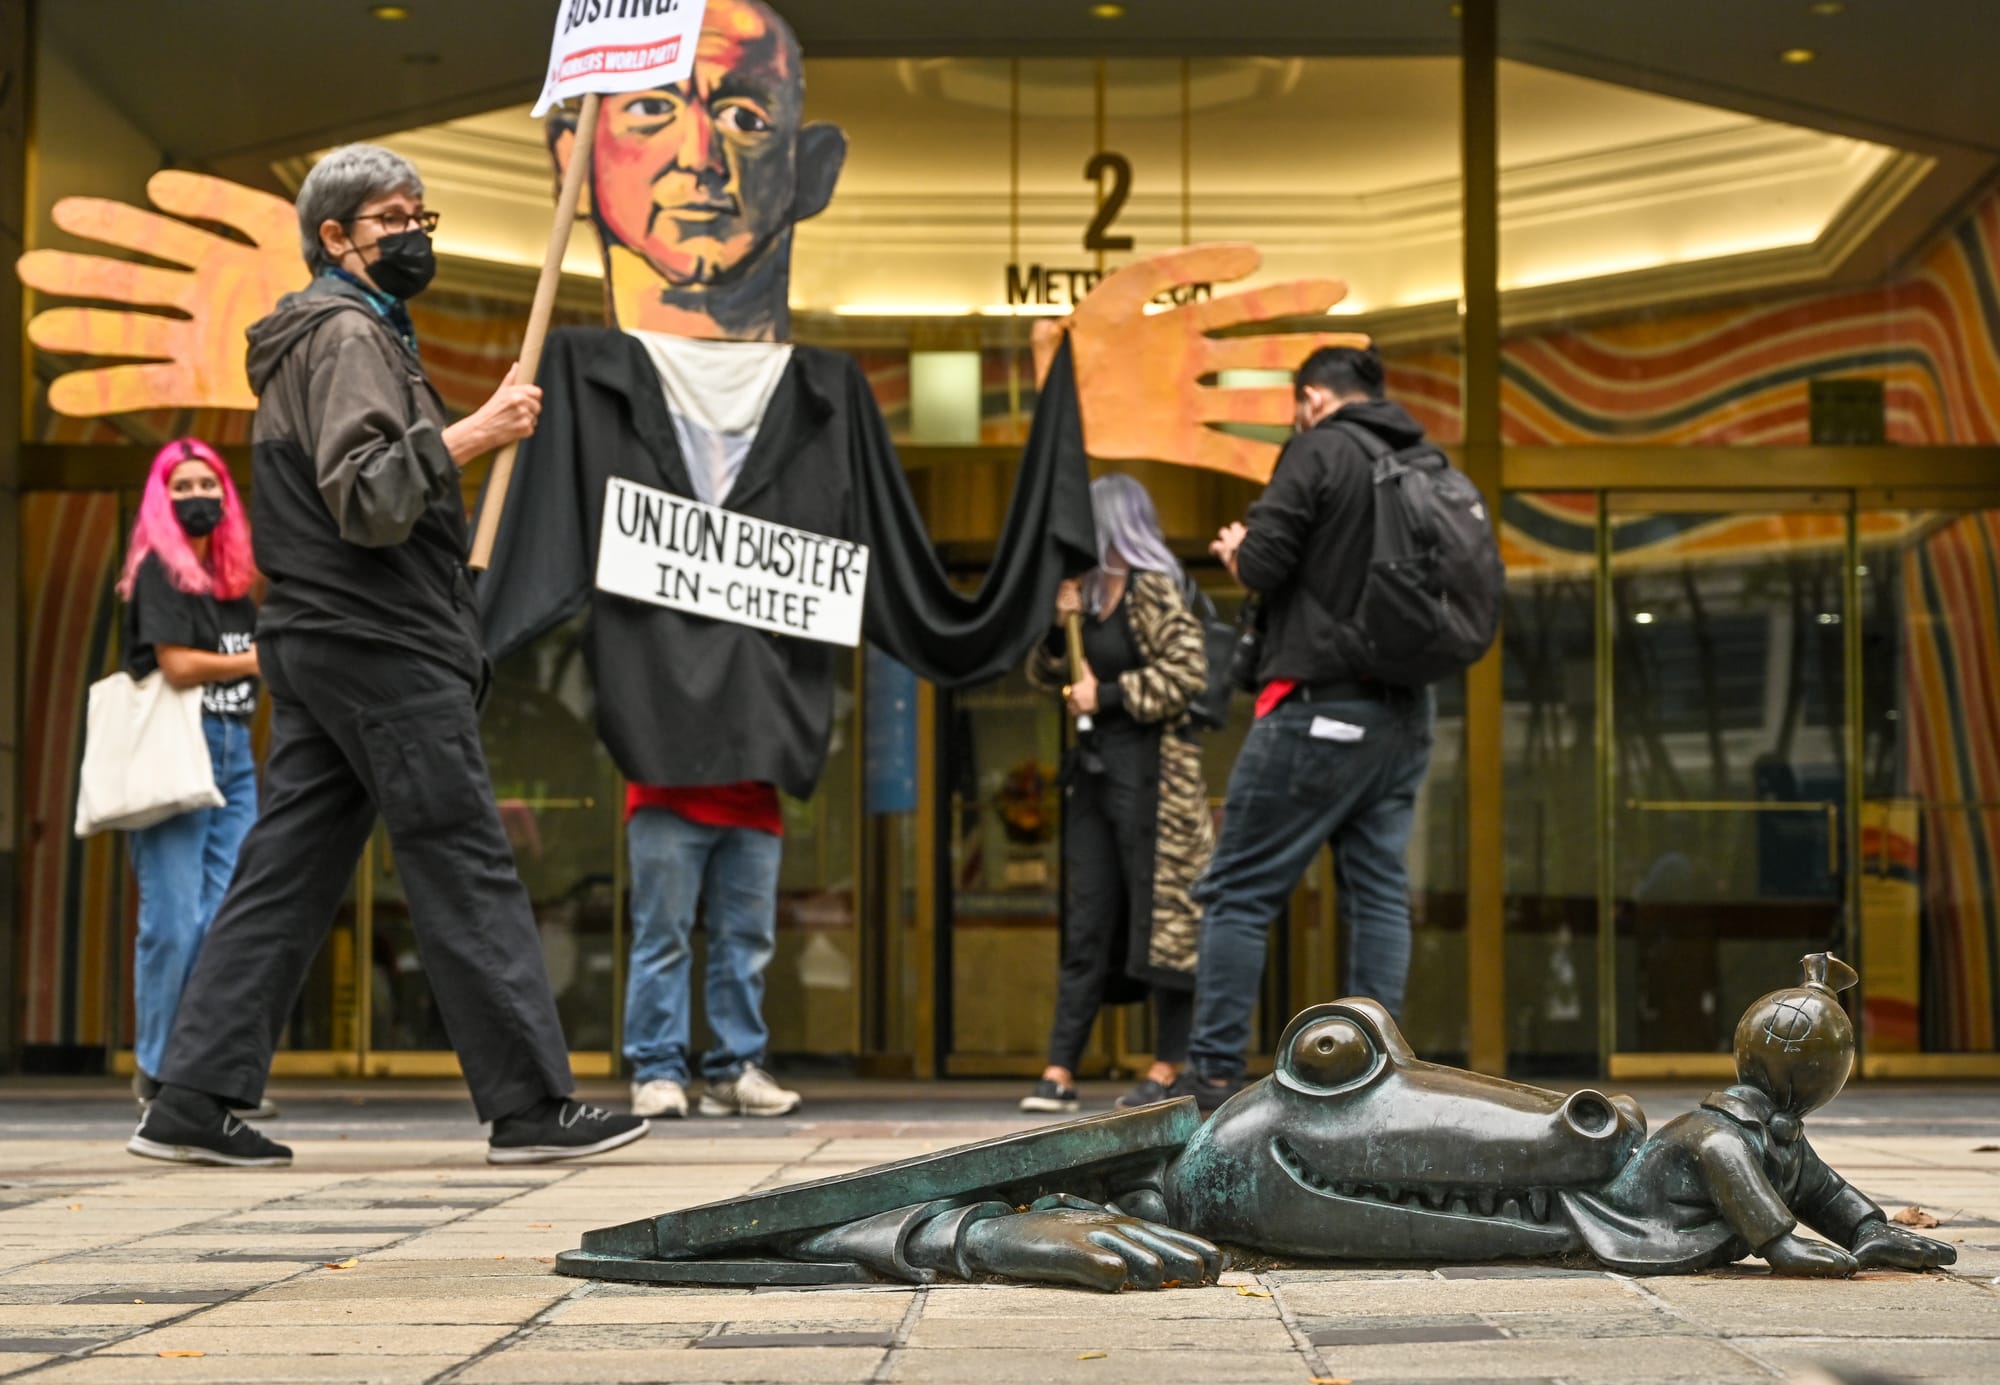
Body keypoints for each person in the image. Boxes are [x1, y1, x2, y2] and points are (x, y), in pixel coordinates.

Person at [127, 143, 648, 1168]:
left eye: (422, 216)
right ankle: (531, 1104)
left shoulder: (315, 339)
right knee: (459, 854)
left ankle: (190, 1095)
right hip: (377, 640)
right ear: (335, 236)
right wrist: (478, 433)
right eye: (393, 218)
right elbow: (367, 496)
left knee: (286, 870)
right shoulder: (348, 334)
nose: (414, 234)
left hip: (324, 638)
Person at [1182, 344, 1436, 1110]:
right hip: (1404, 713)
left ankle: (1211, 1080)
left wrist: (1236, 549)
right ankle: (1377, 1079)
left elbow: (1265, 563)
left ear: (1313, 397)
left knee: (1237, 892)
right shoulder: (1422, 458)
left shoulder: (1318, 447)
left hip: (1318, 706)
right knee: (1379, 891)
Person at [1020, 475, 1213, 1115]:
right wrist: (1058, 627)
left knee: (1163, 922)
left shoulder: (1155, 589)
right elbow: (1048, 670)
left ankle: (1168, 1064)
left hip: (1155, 778)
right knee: (1089, 916)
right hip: (1096, 776)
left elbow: (1188, 673)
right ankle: (1060, 1066)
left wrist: (1105, 695)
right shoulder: (1086, 599)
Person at [118, 439, 267, 1121]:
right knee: (174, 922)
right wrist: (256, 662)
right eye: (180, 486)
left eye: (206, 482)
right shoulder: (159, 569)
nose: (196, 495)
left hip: (234, 753)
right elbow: (176, 665)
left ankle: (205, 1075)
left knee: (225, 923)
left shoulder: (236, 580)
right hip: (176, 749)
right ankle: (156, 1072)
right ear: (160, 497)